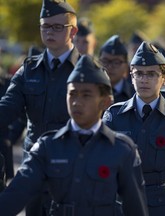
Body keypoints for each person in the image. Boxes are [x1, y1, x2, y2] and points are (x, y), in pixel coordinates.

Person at [0, 55, 149, 216]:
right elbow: (15, 195)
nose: (77, 102)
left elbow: (136, 209)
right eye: (72, 94)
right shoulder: (48, 147)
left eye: (86, 95)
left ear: (105, 102)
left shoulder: (121, 150)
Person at [102, 41, 165, 216]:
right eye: (139, 74)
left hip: (162, 201)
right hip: (123, 199)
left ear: (164, 78)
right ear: (131, 76)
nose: (144, 80)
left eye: (151, 74)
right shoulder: (114, 116)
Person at [0, 0, 81, 215]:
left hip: (73, 168)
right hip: (35, 165)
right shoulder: (29, 70)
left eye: (57, 27)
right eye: (45, 26)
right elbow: (6, 109)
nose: (49, 32)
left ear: (73, 31)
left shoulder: (87, 73)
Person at [99, 35, 134, 103]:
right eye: (105, 61)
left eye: (116, 62)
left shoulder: (135, 95)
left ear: (126, 66)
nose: (110, 66)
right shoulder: (91, 92)